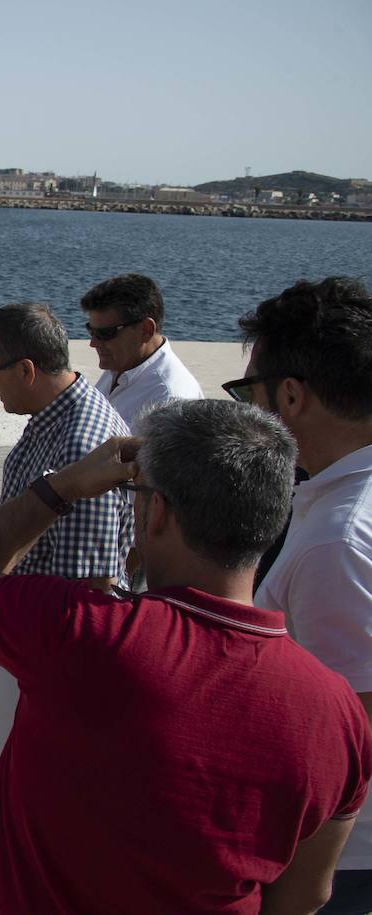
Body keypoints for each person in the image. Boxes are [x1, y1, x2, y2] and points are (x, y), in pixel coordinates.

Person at [0, 399, 372, 914]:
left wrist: (64, 485)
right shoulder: (339, 715)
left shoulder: (79, 634)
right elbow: (307, 894)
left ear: (156, 512)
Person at [229, 276, 372, 914]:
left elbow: (353, 734)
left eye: (247, 393)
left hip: (339, 857)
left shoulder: (334, 545)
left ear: (290, 395)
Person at [0, 302, 132, 749]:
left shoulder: (80, 443)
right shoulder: (58, 417)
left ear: (26, 370)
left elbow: (88, 593)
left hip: (39, 657)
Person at [80, 272, 203, 428]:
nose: (93, 343)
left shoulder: (170, 400)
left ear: (146, 330)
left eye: (105, 333)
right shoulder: (121, 364)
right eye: (91, 331)